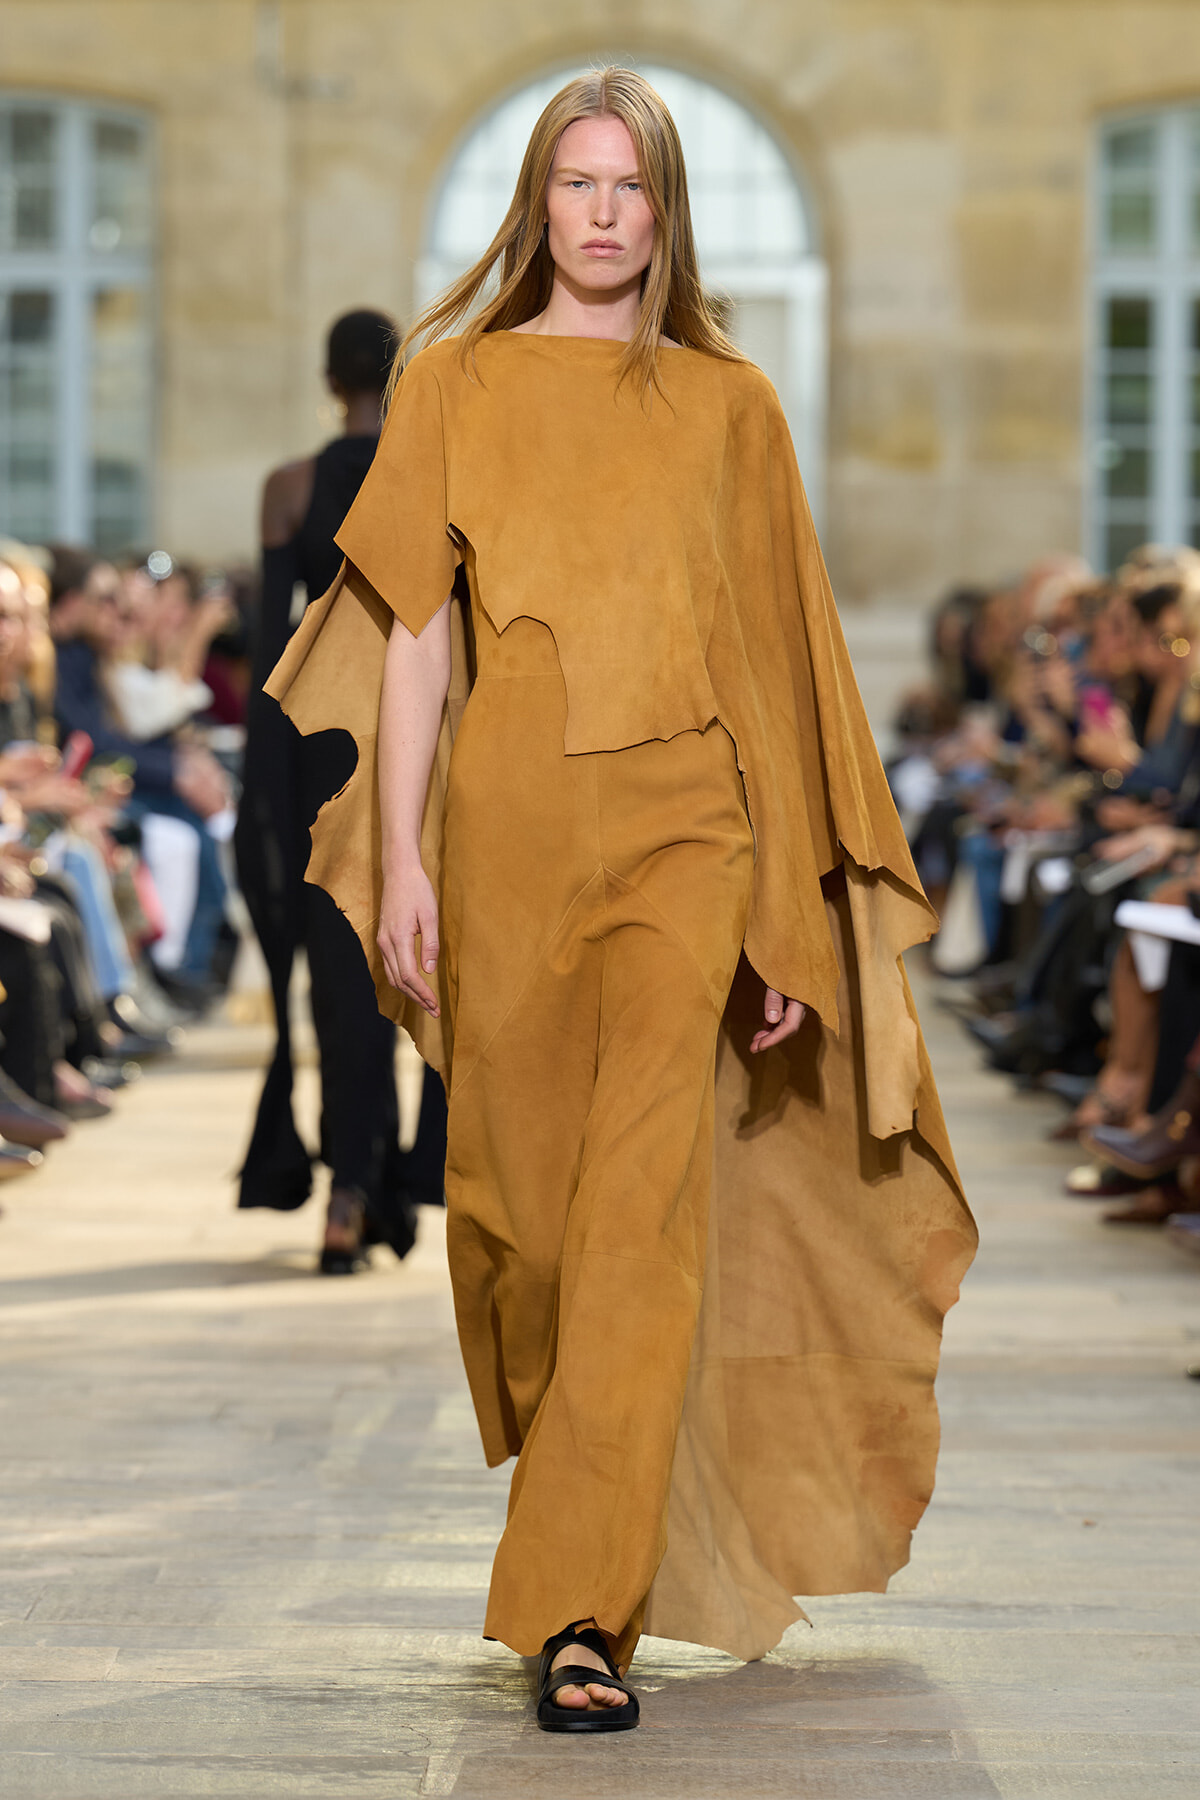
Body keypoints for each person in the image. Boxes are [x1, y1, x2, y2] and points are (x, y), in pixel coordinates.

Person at [268, 70, 976, 1731]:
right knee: (518, 1220)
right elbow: (421, 637)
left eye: (631, 186)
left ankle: (584, 1611)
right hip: (507, 835)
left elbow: (777, 664)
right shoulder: (451, 387)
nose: (602, 212)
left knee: (645, 1219)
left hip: (684, 834)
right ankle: (573, 1521)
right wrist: (412, 856)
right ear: (539, 203)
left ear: (666, 210)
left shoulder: (731, 408)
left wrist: (777, 913)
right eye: (575, 182)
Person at [236, 309, 447, 1272]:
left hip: (317, 750)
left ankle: (349, 1189)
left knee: (340, 973)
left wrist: (263, 789)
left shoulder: (287, 488)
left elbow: (273, 652)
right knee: (417, 961)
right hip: (416, 745)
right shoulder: (429, 479)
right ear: (400, 381)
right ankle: (401, 1174)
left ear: (330, 381)